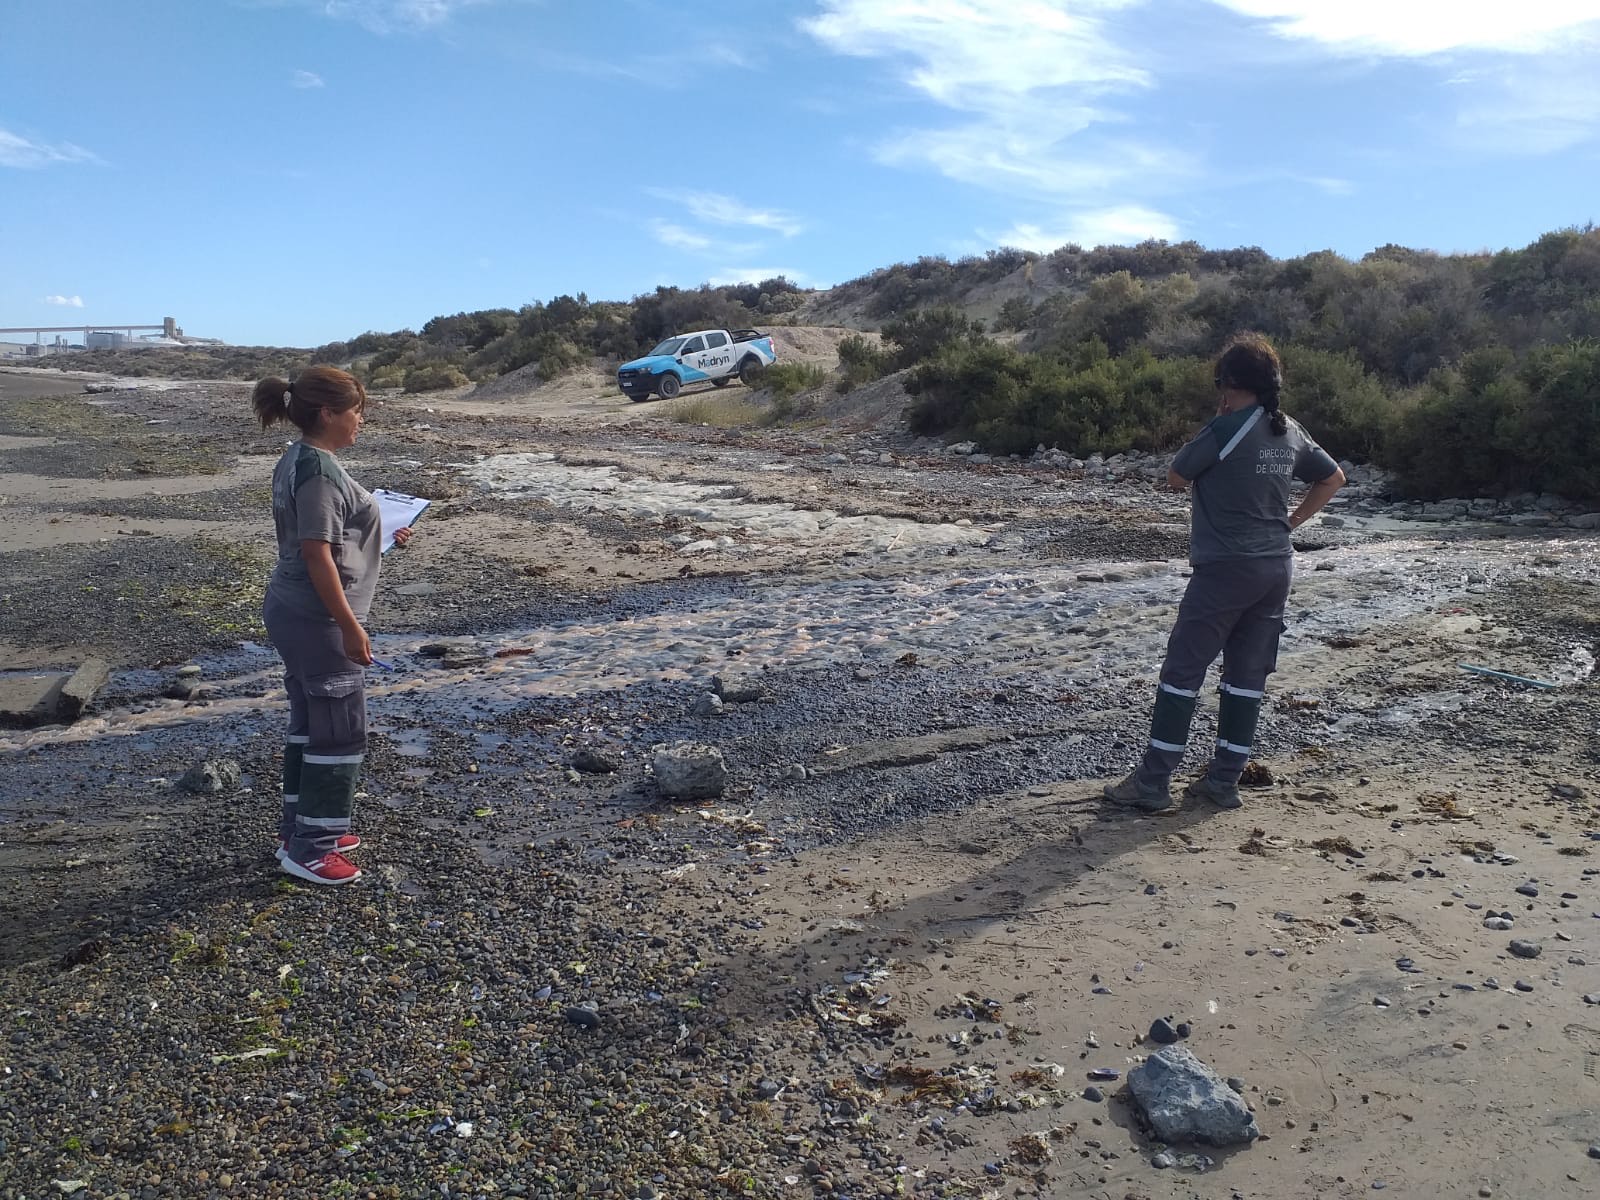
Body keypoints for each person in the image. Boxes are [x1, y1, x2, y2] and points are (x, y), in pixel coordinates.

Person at [1104, 333, 1345, 813]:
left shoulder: (1226, 428)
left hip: (1225, 568)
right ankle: (1224, 781)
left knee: (1183, 670)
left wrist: (1216, 423)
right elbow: (1333, 478)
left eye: (1221, 382)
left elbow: (1176, 476)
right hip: (1276, 566)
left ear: (1231, 383)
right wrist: (1292, 522)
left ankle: (1153, 782)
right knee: (1246, 675)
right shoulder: (1290, 430)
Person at [251, 367, 413, 884]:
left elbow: (331, 533)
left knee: (310, 722)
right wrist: (348, 626)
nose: (360, 420)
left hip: (293, 609)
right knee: (341, 728)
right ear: (327, 413)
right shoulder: (319, 472)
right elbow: (317, 554)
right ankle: (314, 848)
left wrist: (382, 532)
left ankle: (300, 828)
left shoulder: (301, 458)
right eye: (355, 411)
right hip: (316, 615)